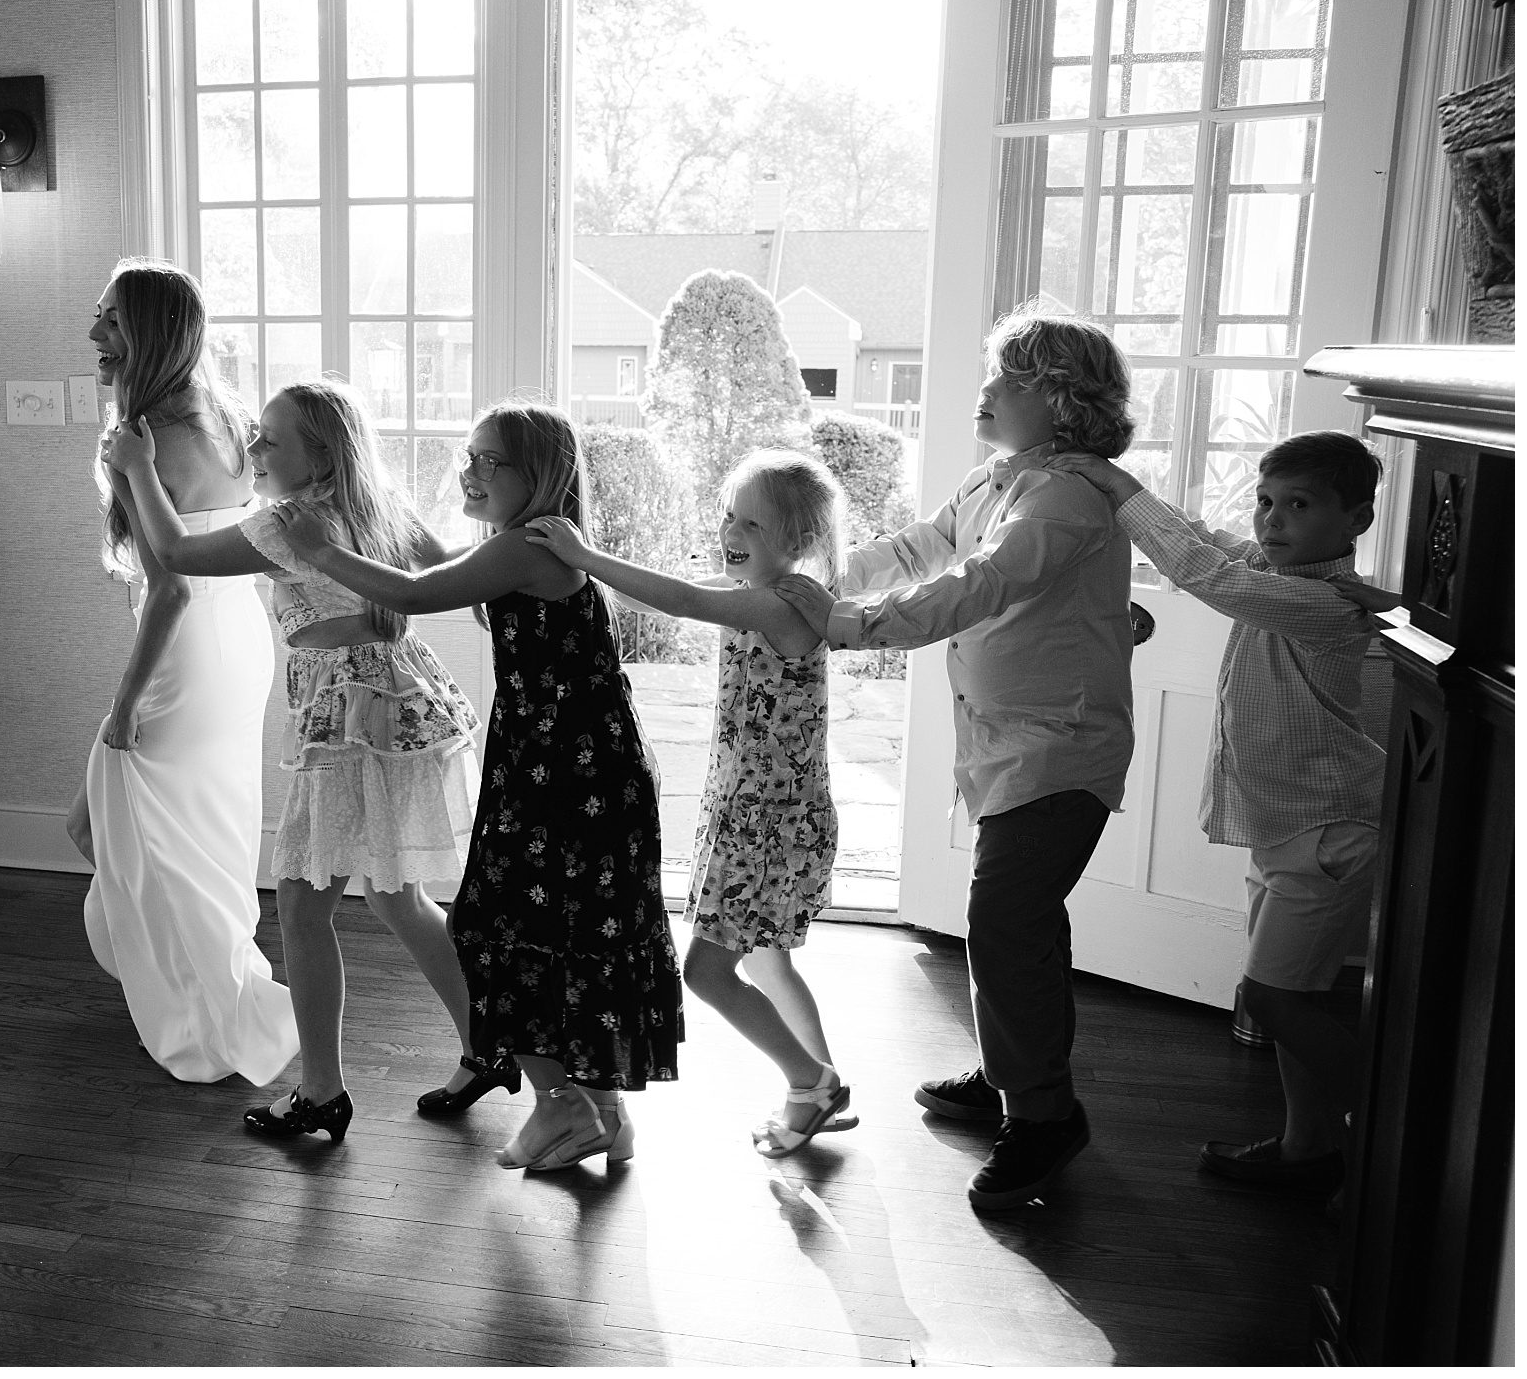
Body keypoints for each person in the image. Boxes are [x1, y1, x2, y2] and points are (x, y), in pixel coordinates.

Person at [780, 307, 1136, 1211]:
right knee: (1013, 921)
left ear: (1058, 399)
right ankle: (1011, 1070)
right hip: (1006, 745)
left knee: (1006, 917)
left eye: (1006, 380)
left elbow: (975, 585)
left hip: (1062, 746)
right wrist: (820, 578)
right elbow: (921, 549)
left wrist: (849, 627)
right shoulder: (998, 479)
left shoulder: (1067, 498)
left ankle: (1044, 1116)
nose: (984, 391)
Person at [276, 401, 683, 1173]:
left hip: (566, 770)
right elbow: (433, 572)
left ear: (541, 477)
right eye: (467, 455)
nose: (468, 470)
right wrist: (377, 513)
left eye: (488, 460)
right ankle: (606, 1114)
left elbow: (413, 594)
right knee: (566, 936)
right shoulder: (513, 547)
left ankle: (561, 1101)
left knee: (498, 932)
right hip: (563, 759)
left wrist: (320, 549)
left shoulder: (527, 548)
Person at [103, 378, 489, 1143]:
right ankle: (489, 1044)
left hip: (348, 723)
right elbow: (448, 568)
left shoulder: (289, 521)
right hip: (403, 701)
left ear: (318, 456)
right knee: (396, 897)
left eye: (269, 440)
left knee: (304, 905)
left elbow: (175, 554)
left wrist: (138, 468)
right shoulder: (375, 503)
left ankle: (321, 1093)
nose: (253, 450)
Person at [1050, 431, 1387, 1196]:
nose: (1273, 519)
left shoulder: (1328, 602)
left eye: (1298, 505)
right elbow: (1204, 540)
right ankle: (1308, 1150)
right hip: (1286, 829)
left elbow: (1202, 572)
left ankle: (1399, 1117)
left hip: (1328, 832)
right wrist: (1127, 487)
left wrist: (1110, 482)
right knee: (1288, 995)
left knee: (1269, 998)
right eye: (1266, 501)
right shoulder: (1277, 568)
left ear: (1356, 520)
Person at [527, 447, 857, 1158]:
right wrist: (585, 568)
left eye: (753, 524)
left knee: (706, 972)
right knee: (768, 960)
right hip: (758, 812)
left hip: (765, 823)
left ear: (797, 543)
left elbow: (681, 600)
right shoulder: (762, 588)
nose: (731, 530)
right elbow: (668, 590)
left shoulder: (783, 602)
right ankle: (827, 1090)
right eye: (729, 515)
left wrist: (583, 553)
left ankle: (813, 1082)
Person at [70, 258, 296, 1088]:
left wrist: (125, 702)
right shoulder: (228, 415)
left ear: (154, 335)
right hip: (238, 641)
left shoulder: (146, 440)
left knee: (142, 834)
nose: (96, 334)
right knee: (189, 831)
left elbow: (167, 583)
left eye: (114, 322)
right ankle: (185, 991)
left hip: (188, 645)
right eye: (100, 315)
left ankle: (206, 1017)